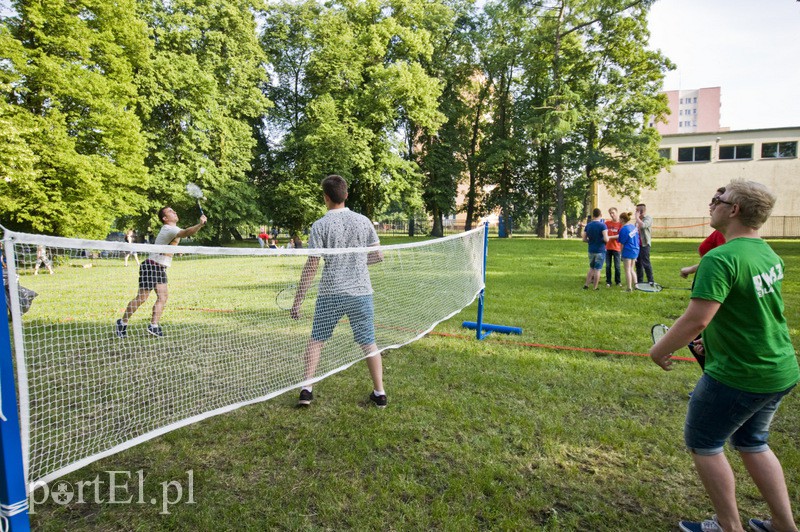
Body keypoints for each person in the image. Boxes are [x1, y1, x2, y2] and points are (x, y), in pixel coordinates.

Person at [649, 180, 799, 532]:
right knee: (752, 441)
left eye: (720, 198)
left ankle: (729, 526)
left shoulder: (720, 258)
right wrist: (713, 342)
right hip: (779, 369)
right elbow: (748, 311)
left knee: (704, 443)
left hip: (739, 375)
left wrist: (660, 349)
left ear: (734, 210)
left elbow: (697, 319)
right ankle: (784, 525)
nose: (712, 202)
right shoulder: (765, 252)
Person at [290, 174, 386, 408]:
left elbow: (312, 265)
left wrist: (298, 300)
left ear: (326, 198)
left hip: (331, 293)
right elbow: (378, 256)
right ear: (345, 195)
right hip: (360, 292)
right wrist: (357, 263)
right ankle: (380, 393)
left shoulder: (320, 225)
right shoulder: (364, 221)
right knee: (368, 343)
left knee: (316, 340)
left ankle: (306, 390)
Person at [116, 207, 207, 338]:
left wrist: (175, 250)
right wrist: (200, 224)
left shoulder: (172, 230)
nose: (175, 212)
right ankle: (122, 322)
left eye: (174, 210)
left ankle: (154, 326)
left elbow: (169, 244)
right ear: (165, 218)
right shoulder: (169, 229)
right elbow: (187, 232)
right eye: (171, 211)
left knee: (163, 297)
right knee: (142, 298)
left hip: (160, 268)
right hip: (151, 266)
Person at [581, 208, 608, 290]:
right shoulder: (602, 225)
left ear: (593, 215)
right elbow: (606, 239)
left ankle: (586, 285)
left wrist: (590, 241)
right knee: (598, 269)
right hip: (600, 249)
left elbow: (584, 239)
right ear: (601, 215)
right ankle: (595, 287)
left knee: (591, 268)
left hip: (591, 249)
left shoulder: (588, 225)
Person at [617, 212, 639, 292]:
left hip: (628, 250)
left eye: (619, 219)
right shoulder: (633, 227)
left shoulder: (623, 229)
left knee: (627, 270)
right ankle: (636, 285)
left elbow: (622, 243)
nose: (619, 220)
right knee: (632, 269)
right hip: (635, 250)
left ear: (622, 219)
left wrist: (621, 253)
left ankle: (629, 288)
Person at [635, 203, 655, 285]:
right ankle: (640, 281)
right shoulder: (637, 220)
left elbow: (643, 226)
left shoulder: (648, 218)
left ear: (643, 211)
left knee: (646, 262)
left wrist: (637, 218)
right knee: (638, 263)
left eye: (638, 210)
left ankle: (651, 280)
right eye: (636, 210)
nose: (636, 212)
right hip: (637, 244)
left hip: (645, 244)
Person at [605, 207, 622, 287]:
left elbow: (620, 235)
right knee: (608, 266)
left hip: (616, 248)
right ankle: (608, 281)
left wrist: (610, 237)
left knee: (617, 266)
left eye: (613, 213)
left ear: (617, 213)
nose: (612, 215)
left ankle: (618, 281)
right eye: (610, 213)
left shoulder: (620, 224)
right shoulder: (607, 223)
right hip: (608, 248)